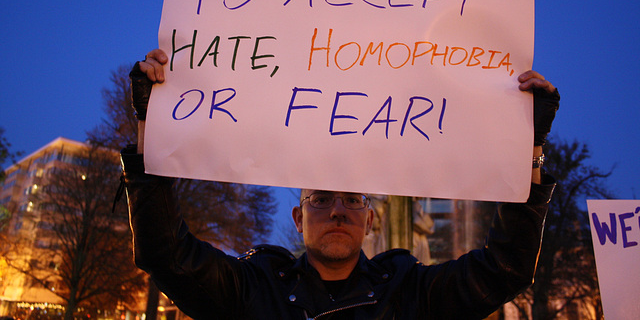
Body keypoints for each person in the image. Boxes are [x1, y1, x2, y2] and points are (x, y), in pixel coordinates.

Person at [121, 49, 559, 319]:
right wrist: (151, 124)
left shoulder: (408, 292)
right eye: (321, 199)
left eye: (352, 199)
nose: (337, 210)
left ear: (370, 219)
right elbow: (165, 254)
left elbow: (506, 269)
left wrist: (529, 148)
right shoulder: (254, 288)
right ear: (297, 217)